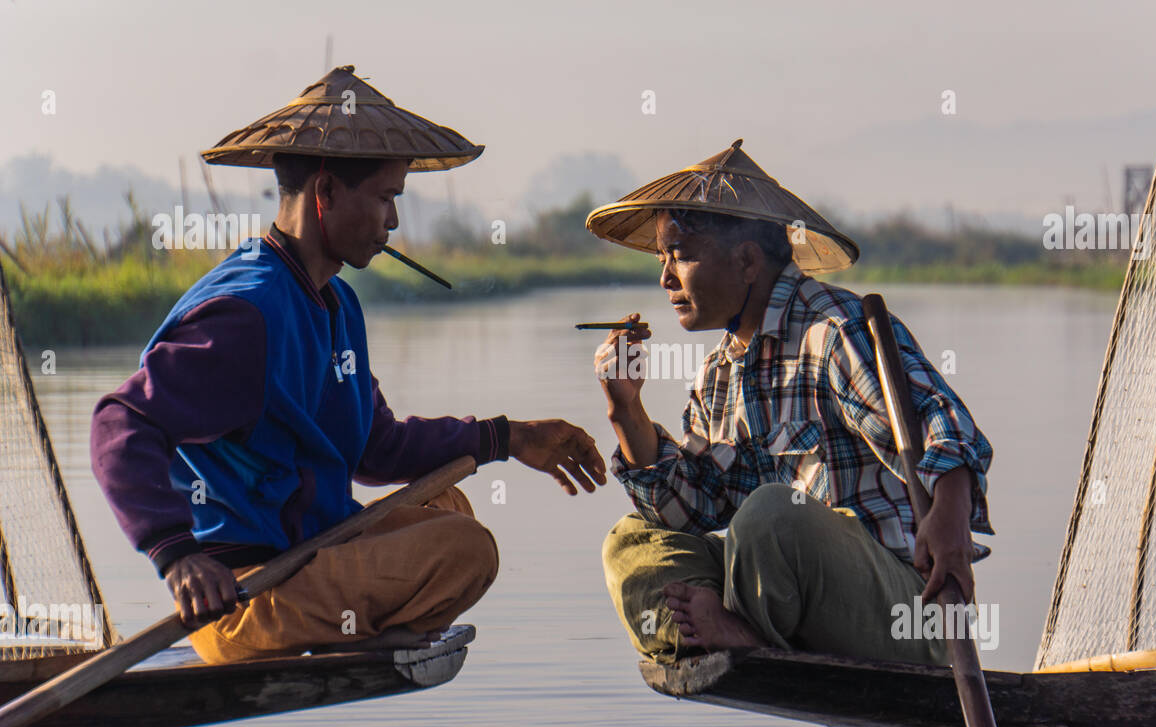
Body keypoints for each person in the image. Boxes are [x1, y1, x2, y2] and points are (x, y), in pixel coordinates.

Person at [90, 66, 605, 664]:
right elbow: (119, 423)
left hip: (310, 555)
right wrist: (177, 555)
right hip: (249, 597)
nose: (393, 222)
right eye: (386, 199)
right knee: (465, 550)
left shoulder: (337, 302)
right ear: (326, 193)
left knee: (447, 507)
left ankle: (364, 628)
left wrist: (509, 438)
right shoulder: (246, 316)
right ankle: (354, 635)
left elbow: (374, 447)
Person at [585, 139, 993, 665]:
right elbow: (692, 509)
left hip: (908, 614)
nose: (665, 278)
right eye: (663, 258)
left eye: (680, 255)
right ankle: (720, 633)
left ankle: (744, 635)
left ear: (748, 261)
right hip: (798, 608)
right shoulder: (719, 372)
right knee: (631, 542)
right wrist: (626, 411)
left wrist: (952, 519)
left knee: (774, 513)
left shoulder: (833, 330)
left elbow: (945, 421)